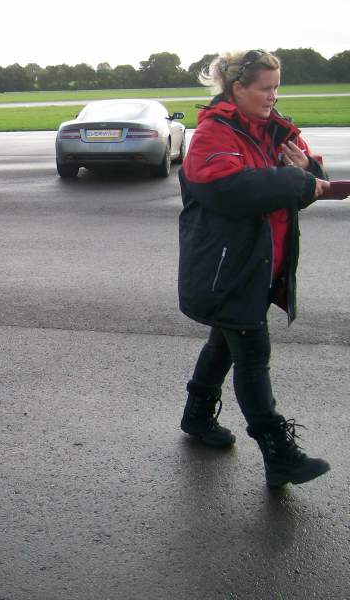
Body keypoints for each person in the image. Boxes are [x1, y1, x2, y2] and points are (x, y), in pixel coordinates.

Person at [177, 49, 332, 488]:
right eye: (265, 88)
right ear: (237, 88)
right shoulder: (212, 134)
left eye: (276, 87)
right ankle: (279, 454)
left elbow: (308, 183)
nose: (272, 96)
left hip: (261, 265)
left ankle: (196, 416)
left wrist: (308, 169)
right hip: (227, 269)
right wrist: (297, 180)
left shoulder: (276, 132)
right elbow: (228, 189)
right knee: (252, 358)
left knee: (223, 344)